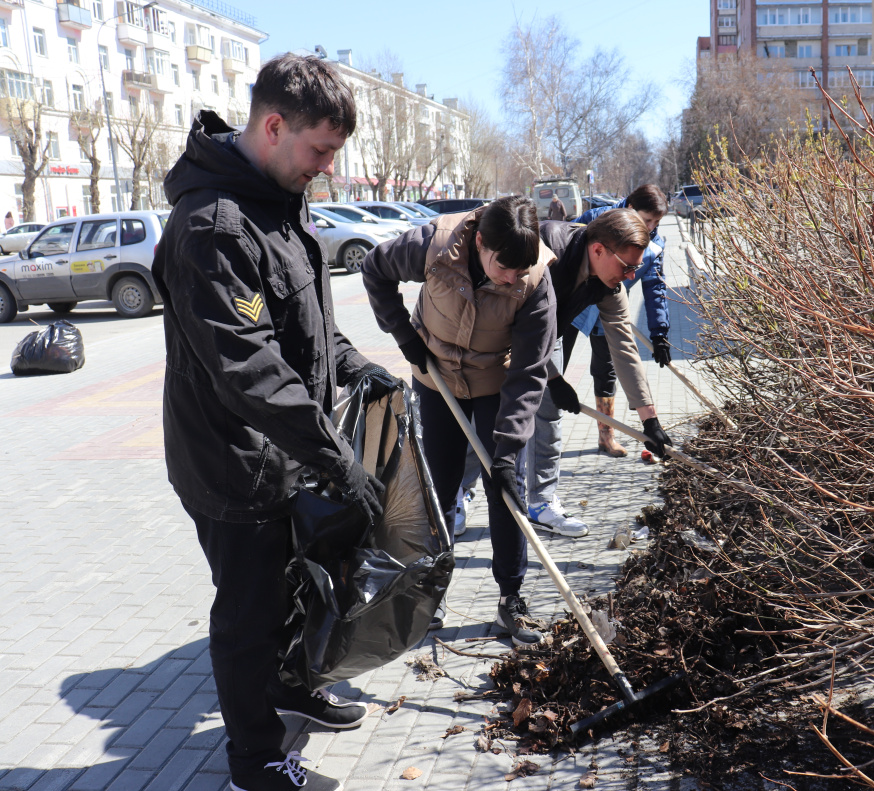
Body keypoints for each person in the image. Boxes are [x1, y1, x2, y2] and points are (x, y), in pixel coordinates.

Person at [153, 54, 394, 791]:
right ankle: (253, 762)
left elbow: (306, 323)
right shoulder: (212, 227)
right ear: (274, 125)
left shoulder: (276, 201)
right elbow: (250, 367)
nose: (323, 168)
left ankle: (291, 689)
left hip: (285, 449)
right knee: (248, 613)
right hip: (233, 462)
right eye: (319, 151)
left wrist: (353, 364)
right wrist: (336, 457)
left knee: (296, 586)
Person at [361, 195, 557, 646]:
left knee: (506, 489)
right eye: (503, 266)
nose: (512, 278)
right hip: (437, 377)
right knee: (441, 486)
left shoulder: (536, 280)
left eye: (519, 272)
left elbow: (528, 374)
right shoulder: (435, 244)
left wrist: (506, 451)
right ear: (481, 242)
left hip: (495, 380)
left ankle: (511, 597)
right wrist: (406, 338)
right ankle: (432, 592)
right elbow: (375, 269)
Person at [525, 209, 673, 534]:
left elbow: (624, 346)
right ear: (597, 250)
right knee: (487, 414)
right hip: (499, 326)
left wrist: (650, 420)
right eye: (627, 266)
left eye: (636, 267)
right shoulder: (545, 255)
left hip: (551, 332)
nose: (632, 276)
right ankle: (459, 496)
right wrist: (553, 377)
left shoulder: (610, 285)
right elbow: (523, 328)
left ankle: (541, 503)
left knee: (548, 416)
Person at [569, 184, 670, 456]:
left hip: (610, 302)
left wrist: (659, 332)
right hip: (571, 304)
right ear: (629, 209)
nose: (650, 227)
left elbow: (655, 288)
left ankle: (607, 435)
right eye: (646, 220)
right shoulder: (598, 219)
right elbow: (566, 248)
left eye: (656, 222)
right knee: (554, 364)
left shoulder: (656, 244)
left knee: (607, 371)